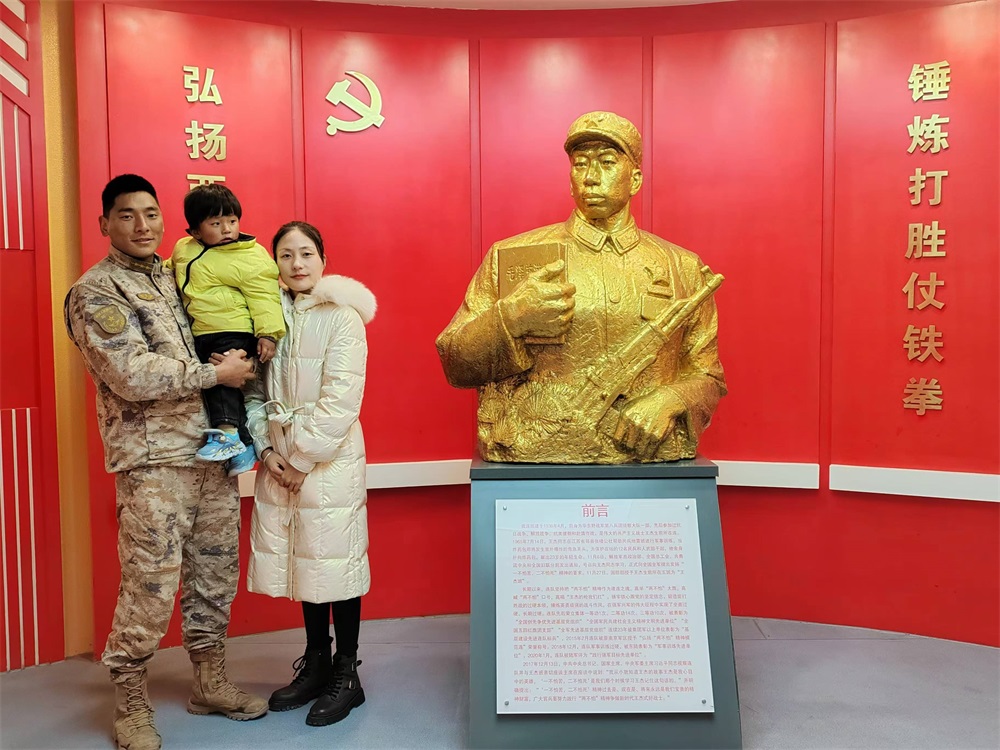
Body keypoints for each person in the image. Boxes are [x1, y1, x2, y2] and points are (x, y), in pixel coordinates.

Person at [64, 174, 269, 750]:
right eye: (127, 215)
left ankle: (210, 681)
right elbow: (130, 374)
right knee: (150, 584)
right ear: (105, 224)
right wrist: (216, 372)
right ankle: (130, 703)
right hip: (154, 463)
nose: (142, 225)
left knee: (215, 574)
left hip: (213, 451)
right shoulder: (96, 290)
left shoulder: (180, 272)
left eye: (151, 213)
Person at [436, 111, 726, 464]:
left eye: (607, 162)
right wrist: (510, 319)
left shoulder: (682, 267)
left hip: (648, 453)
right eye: (580, 164)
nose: (591, 177)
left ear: (635, 179)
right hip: (535, 446)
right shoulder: (512, 256)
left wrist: (671, 399)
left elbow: (708, 376)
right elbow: (455, 362)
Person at [242, 220, 376, 727]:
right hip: (280, 458)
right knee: (304, 561)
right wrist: (265, 448)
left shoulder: (343, 316)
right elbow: (253, 390)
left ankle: (347, 672)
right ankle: (316, 663)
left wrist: (300, 459)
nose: (297, 264)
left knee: (336, 561)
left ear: (323, 259)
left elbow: (342, 399)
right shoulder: (268, 316)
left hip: (328, 459)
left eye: (306, 253)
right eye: (285, 255)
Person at [168, 184, 285, 475]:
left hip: (233, 328)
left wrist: (268, 334)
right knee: (211, 382)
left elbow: (265, 296)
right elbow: (170, 269)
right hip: (203, 331)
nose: (227, 229)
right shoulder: (184, 249)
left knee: (221, 380)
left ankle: (227, 434)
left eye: (232, 221)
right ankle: (245, 447)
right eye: (216, 223)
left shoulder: (250, 255)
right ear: (195, 231)